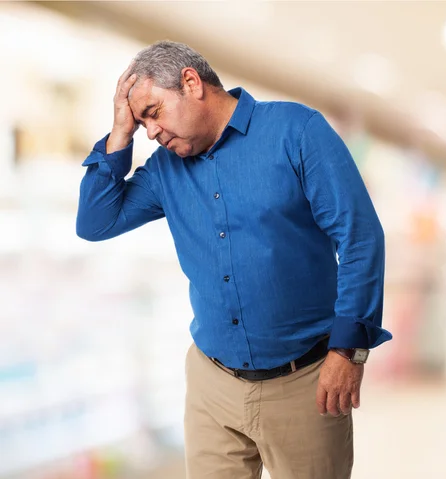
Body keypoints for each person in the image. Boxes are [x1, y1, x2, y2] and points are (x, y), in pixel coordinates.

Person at [76, 40, 391, 479]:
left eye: (152, 112)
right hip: (212, 384)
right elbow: (95, 222)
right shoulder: (164, 170)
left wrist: (348, 351)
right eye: (141, 122)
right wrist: (119, 134)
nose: (150, 131)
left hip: (306, 383)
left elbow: (359, 237)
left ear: (191, 83)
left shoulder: (296, 131)